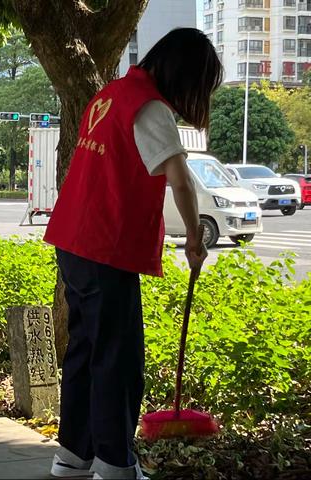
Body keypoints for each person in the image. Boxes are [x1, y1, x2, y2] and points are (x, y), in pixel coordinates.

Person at [44, 28, 223, 479]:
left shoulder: (110, 95)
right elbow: (181, 179)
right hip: (106, 246)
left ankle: (73, 454)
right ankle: (115, 462)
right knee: (118, 358)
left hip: (74, 242)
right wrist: (195, 241)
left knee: (85, 351)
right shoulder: (148, 107)